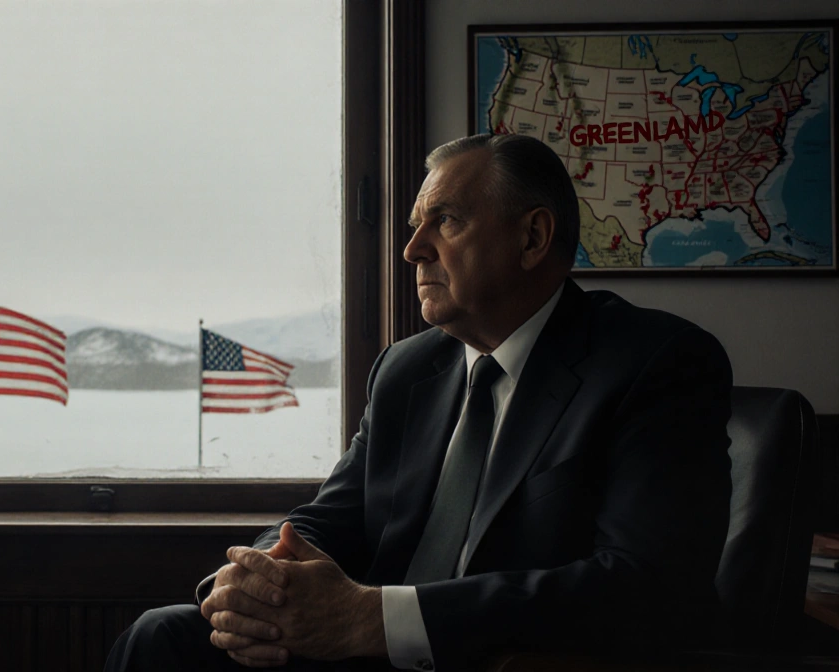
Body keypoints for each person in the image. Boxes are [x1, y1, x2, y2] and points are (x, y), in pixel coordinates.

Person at [105, 133, 733, 671]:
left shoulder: (654, 362)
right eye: (414, 228)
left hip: (502, 660)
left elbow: (644, 587)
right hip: (364, 653)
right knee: (163, 635)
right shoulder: (407, 368)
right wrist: (257, 580)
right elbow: (333, 518)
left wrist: (375, 620)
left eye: (447, 221)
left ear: (534, 237)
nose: (413, 250)